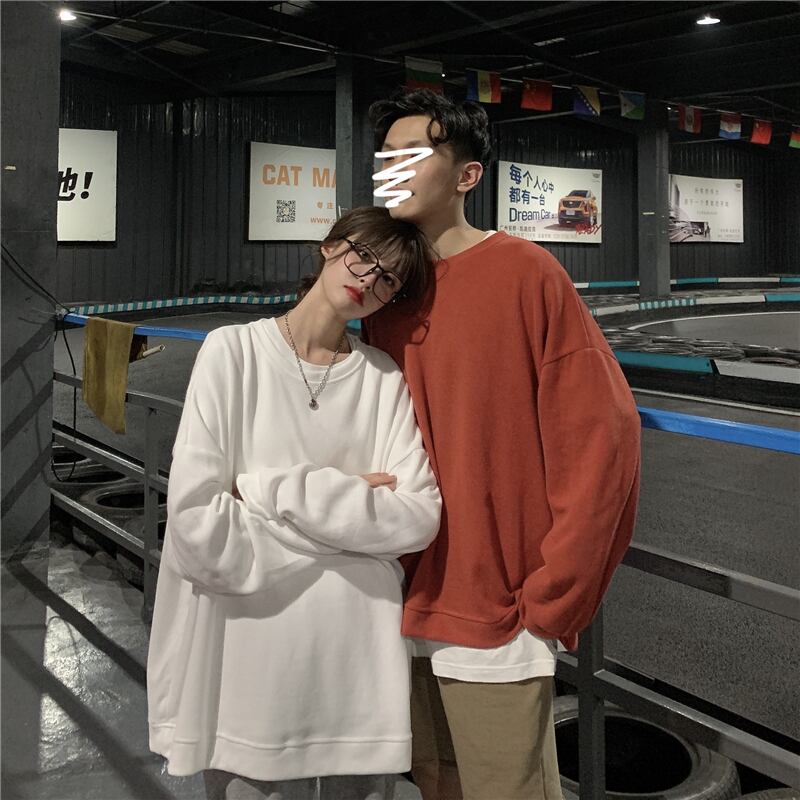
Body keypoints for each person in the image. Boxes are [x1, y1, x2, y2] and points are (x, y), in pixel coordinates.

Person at [364, 90, 642, 800]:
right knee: (435, 784)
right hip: (395, 600)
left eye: (413, 155)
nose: (392, 169)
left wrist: (555, 595)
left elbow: (603, 436)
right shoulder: (382, 297)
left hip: (498, 615)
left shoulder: (526, 273)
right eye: (385, 157)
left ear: (467, 176)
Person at [147, 206, 442, 800]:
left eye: (389, 279)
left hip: (355, 667)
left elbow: (417, 518)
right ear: (330, 246)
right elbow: (198, 527)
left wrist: (261, 492)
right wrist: (350, 512)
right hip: (246, 666)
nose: (370, 278)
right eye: (364, 256)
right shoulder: (233, 352)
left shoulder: (382, 377)